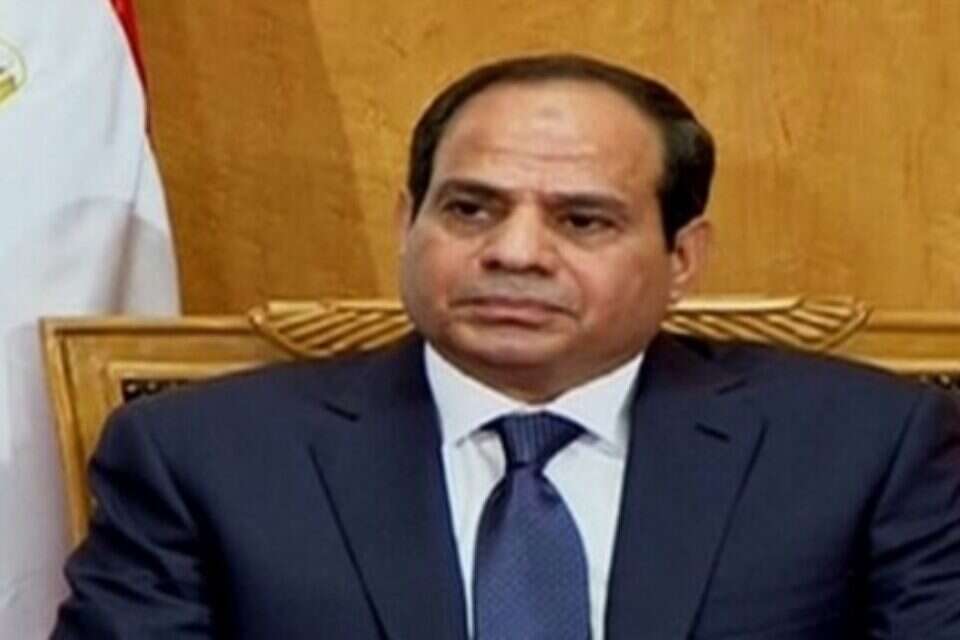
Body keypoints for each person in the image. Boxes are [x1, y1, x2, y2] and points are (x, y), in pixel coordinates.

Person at [52, 53, 960, 639]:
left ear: (682, 259)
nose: (515, 253)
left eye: (583, 220)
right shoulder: (203, 458)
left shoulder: (867, 450)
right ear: (408, 225)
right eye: (470, 209)